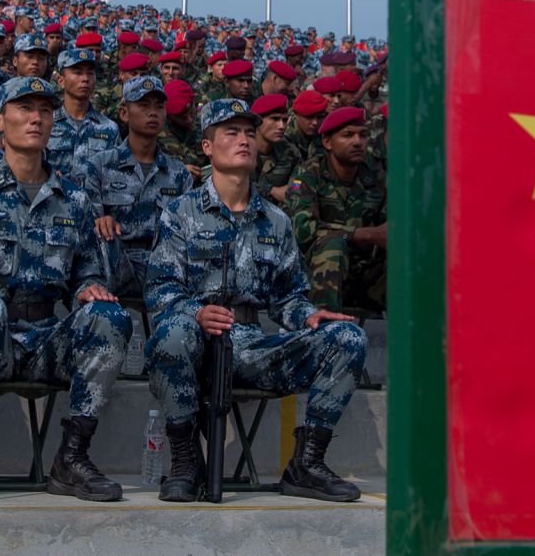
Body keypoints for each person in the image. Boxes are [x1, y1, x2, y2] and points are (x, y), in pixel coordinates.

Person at [144, 98, 366, 503]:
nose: (244, 140)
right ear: (208, 147)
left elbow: (287, 298)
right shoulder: (180, 212)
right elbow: (160, 290)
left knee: (347, 338)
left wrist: (310, 315)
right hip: (198, 346)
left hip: (252, 346)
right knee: (173, 333)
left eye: (249, 132)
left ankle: (307, 464)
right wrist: (196, 312)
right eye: (231, 132)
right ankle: (185, 462)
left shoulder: (275, 220)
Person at [0, 76, 131, 503]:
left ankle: (72, 456)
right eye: (23, 108)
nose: (35, 118)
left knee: (111, 317)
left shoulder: (72, 199)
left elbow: (88, 272)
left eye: (45, 110)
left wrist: (90, 290)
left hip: (44, 340)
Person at [83, 76, 192, 300]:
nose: (152, 113)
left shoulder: (179, 173)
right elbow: (87, 225)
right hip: (113, 265)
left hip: (163, 267)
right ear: (124, 113)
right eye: (143, 105)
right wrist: (100, 221)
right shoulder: (100, 165)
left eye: (159, 106)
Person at [287, 106, 388, 312]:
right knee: (334, 246)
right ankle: (326, 334)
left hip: (364, 272)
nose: (358, 142)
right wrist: (362, 234)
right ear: (327, 142)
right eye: (348, 135)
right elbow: (303, 231)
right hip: (315, 270)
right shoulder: (307, 174)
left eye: (363, 135)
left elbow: (389, 228)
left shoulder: (375, 176)